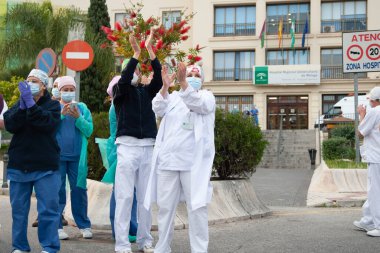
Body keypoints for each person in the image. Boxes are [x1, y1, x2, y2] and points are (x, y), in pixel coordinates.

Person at [144, 63, 216, 253]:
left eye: (196, 75)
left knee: (197, 208)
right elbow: (157, 108)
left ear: (202, 80)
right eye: (189, 73)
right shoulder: (174, 97)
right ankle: (162, 248)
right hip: (168, 161)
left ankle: (199, 250)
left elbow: (195, 103)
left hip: (193, 164)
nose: (192, 76)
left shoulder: (207, 97)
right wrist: (165, 86)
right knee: (165, 209)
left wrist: (184, 82)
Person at [112, 28, 162, 253]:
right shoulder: (120, 91)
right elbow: (124, 79)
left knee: (145, 199)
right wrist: (134, 53)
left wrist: (150, 50)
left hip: (148, 148)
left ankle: (145, 242)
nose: (134, 73)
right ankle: (122, 244)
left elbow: (159, 78)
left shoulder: (146, 92)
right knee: (124, 197)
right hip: (127, 147)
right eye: (131, 69)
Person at [4, 69, 61, 253]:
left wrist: (31, 105)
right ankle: (19, 247)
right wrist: (22, 106)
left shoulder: (53, 105)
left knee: (48, 211)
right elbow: (10, 124)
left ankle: (49, 247)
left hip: (46, 166)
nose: (30, 84)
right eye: (28, 81)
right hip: (20, 165)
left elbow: (47, 124)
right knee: (19, 211)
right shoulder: (19, 104)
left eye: (35, 81)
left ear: (44, 86)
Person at [55, 76, 93, 240]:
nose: (69, 93)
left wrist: (78, 118)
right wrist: (61, 116)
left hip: (77, 158)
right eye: (66, 90)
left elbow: (89, 130)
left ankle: (84, 225)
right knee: (57, 191)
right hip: (56, 157)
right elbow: (47, 127)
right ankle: (56, 227)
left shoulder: (82, 108)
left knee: (79, 191)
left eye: (71, 90)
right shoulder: (54, 107)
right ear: (60, 91)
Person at [102, 75, 138, 242]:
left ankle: (127, 228)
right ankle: (123, 229)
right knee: (122, 190)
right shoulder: (117, 106)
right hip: (119, 149)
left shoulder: (121, 104)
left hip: (122, 148)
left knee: (128, 190)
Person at [32, 76, 67, 228]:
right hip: (44, 154)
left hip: (60, 155)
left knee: (57, 189)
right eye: (57, 86)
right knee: (45, 189)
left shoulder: (55, 106)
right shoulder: (50, 106)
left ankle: (59, 216)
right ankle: (42, 216)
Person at [353, 87, 380, 237]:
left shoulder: (375, 112)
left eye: (370, 99)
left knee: (375, 192)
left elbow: (361, 131)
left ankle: (378, 225)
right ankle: (368, 220)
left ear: (374, 100)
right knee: (374, 190)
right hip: (377, 156)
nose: (368, 101)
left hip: (376, 157)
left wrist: (362, 115)